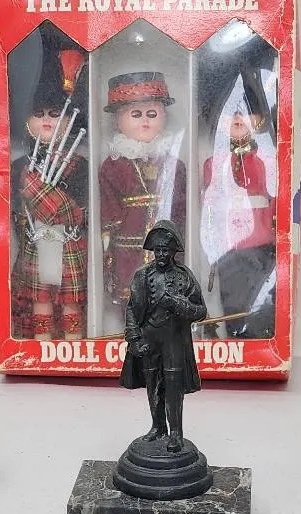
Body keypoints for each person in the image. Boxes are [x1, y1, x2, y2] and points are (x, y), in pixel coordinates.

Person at [10, 38, 90, 341]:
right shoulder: (19, 166)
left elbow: (80, 211)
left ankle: (74, 345)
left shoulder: (79, 165)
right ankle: (40, 346)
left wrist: (64, 212)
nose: (46, 120)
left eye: (55, 114)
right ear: (26, 121)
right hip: (34, 241)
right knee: (39, 300)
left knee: (71, 301)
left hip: (69, 242)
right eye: (39, 113)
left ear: (69, 121)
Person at [100, 71, 188, 326]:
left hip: (165, 249)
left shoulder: (174, 165)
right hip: (128, 248)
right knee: (132, 294)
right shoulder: (113, 166)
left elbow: (180, 208)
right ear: (119, 120)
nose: (145, 121)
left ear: (164, 116)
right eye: (136, 114)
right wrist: (107, 237)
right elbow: (108, 206)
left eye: (152, 114)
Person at [200, 62, 276, 339]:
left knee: (259, 291)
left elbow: (275, 195)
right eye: (230, 113)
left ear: (260, 119)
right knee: (230, 294)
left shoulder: (265, 159)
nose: (237, 118)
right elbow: (209, 205)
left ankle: (256, 332)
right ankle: (235, 333)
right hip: (227, 242)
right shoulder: (214, 163)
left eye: (246, 112)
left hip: (260, 239)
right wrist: (210, 237)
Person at [119, 221, 206, 452]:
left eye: (165, 250)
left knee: (173, 386)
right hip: (149, 337)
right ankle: (158, 427)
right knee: (152, 384)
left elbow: (200, 311)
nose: (160, 254)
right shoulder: (142, 275)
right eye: (157, 250)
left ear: (173, 251)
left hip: (174, 341)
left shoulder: (184, 276)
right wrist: (134, 338)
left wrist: (178, 304)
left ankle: (175, 433)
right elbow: (131, 308)